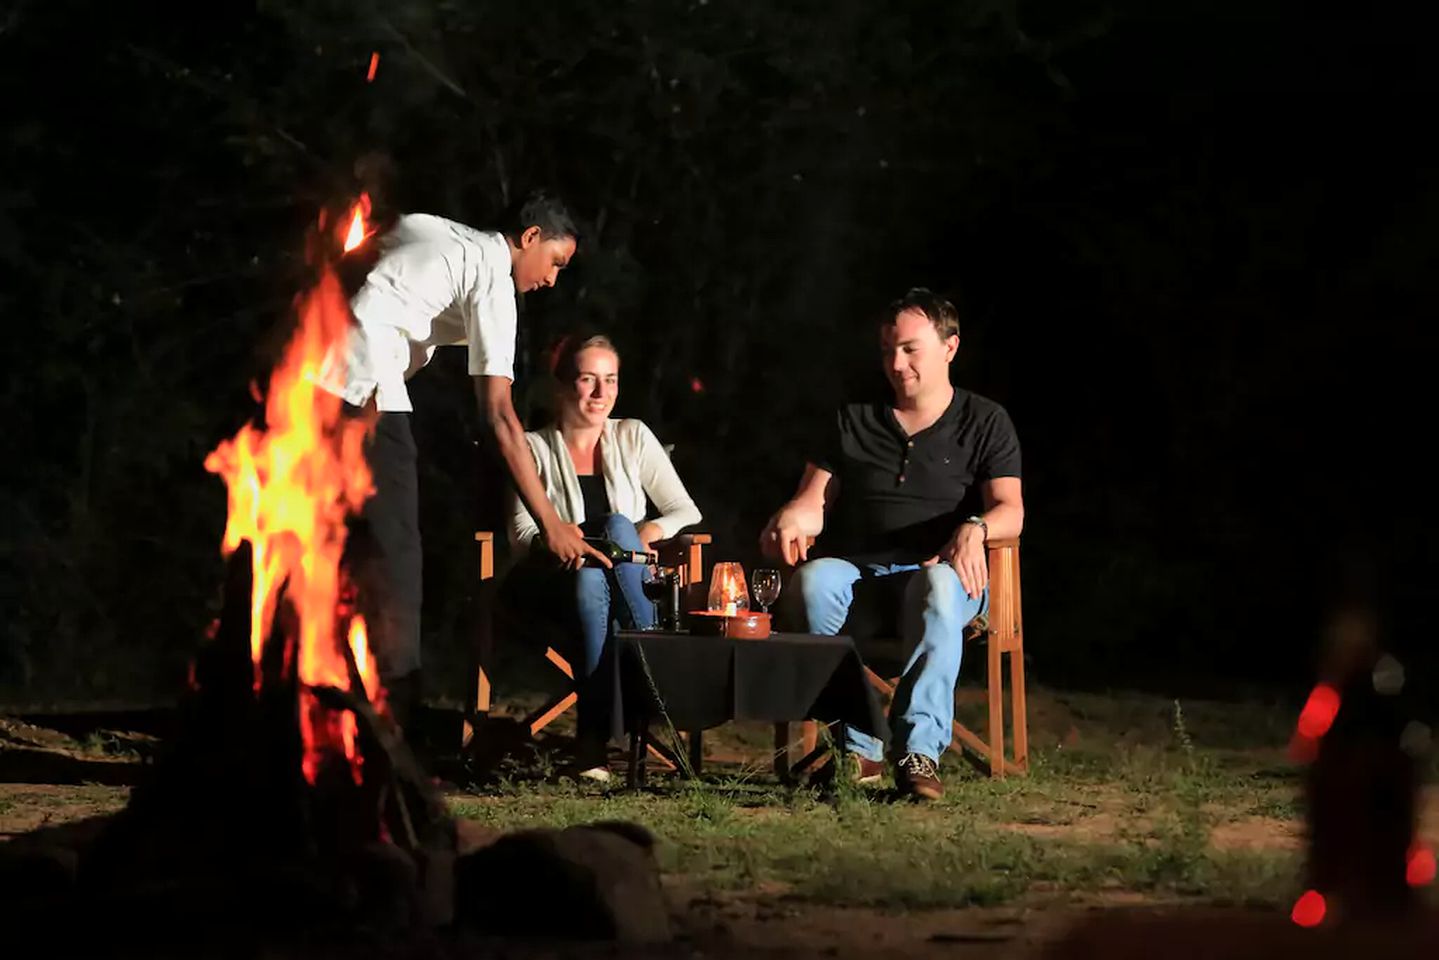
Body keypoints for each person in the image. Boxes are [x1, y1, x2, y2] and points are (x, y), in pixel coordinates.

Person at [320, 191, 608, 724]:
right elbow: (498, 415)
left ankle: (307, 697)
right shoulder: (495, 282)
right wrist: (551, 523)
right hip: (362, 388)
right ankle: (392, 719)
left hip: (307, 377)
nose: (551, 279)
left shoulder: (427, 226)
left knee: (323, 544)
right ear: (528, 239)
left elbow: (351, 258)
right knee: (396, 554)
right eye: (554, 262)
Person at [760, 288, 1024, 800]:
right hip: (862, 576)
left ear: (949, 347)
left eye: (909, 349)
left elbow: (1011, 509)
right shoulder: (854, 419)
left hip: (946, 577)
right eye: (887, 350)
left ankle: (917, 750)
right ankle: (857, 749)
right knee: (814, 580)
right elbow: (812, 501)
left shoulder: (985, 421)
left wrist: (976, 527)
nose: (896, 363)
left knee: (937, 584)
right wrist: (793, 515)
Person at [507, 334, 702, 779]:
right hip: (549, 581)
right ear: (562, 387)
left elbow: (684, 510)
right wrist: (566, 538)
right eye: (588, 379)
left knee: (605, 554)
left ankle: (591, 745)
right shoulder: (532, 448)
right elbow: (521, 532)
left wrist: (647, 531)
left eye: (610, 380)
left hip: (613, 584)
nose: (601, 393)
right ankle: (658, 675)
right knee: (601, 549)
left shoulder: (633, 435)